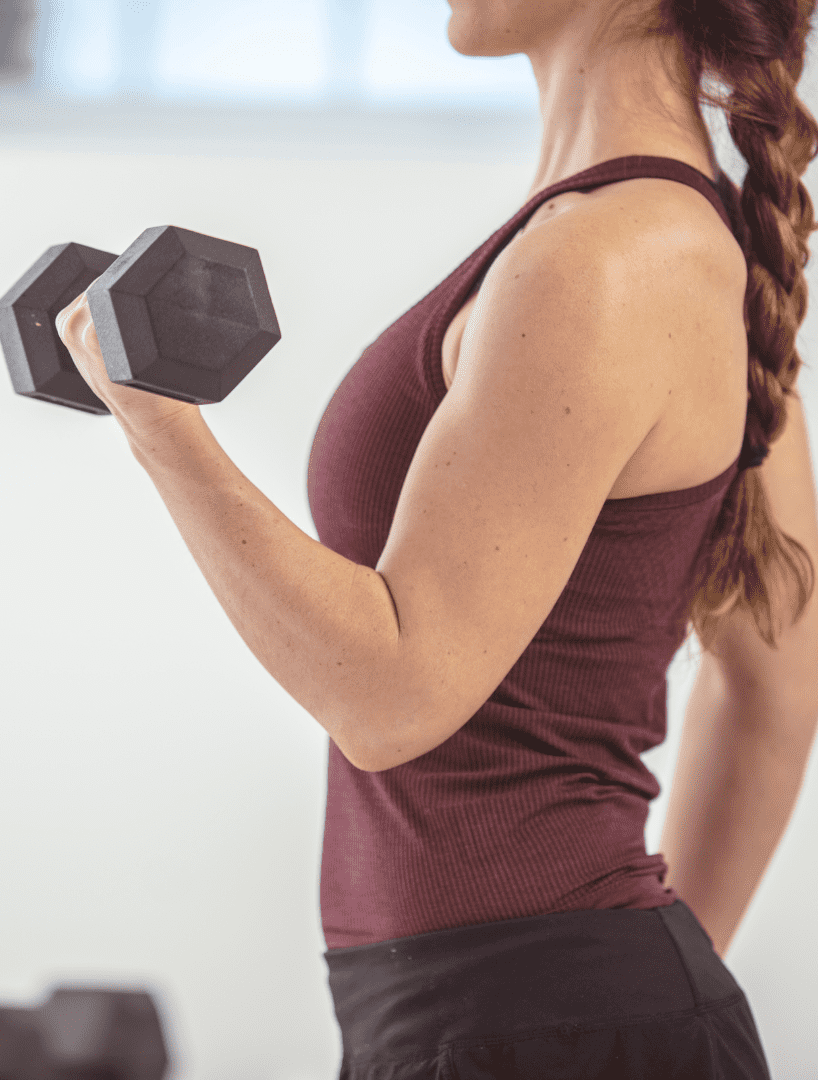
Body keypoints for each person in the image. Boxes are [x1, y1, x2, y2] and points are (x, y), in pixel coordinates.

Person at [305, 0, 818, 1076]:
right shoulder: (664, 245)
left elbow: (390, 698)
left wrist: (160, 427)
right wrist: (634, 995)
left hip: (521, 1013)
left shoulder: (608, 257)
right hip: (522, 1017)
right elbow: (779, 683)